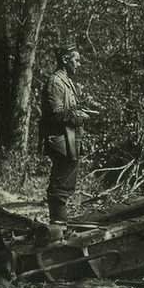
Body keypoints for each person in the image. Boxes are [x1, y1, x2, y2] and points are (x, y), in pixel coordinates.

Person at [39, 42, 90, 226]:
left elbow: (67, 109)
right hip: (60, 142)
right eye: (76, 60)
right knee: (60, 186)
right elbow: (56, 114)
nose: (79, 64)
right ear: (65, 60)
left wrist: (82, 109)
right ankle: (58, 227)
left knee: (66, 184)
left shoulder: (65, 81)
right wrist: (78, 116)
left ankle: (60, 225)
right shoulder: (55, 82)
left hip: (69, 141)